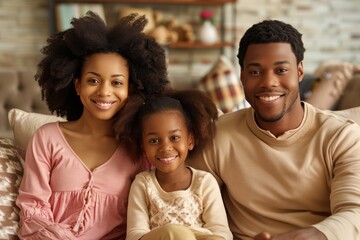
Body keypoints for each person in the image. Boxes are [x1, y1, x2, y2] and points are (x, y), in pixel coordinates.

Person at [190, 19, 360, 240]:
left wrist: (312, 236)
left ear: (299, 72)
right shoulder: (218, 135)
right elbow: (186, 199)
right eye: (254, 72)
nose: (268, 82)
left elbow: (355, 212)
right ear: (241, 76)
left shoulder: (341, 136)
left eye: (281, 70)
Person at [16, 11, 169, 240]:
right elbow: (32, 212)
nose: (104, 92)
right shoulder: (47, 139)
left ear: (131, 89)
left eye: (117, 82)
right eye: (93, 80)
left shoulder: (141, 149)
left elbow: (149, 217)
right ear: (76, 85)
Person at [116, 89, 232, 240]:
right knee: (175, 233)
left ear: (190, 140)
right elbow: (134, 235)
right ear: (143, 147)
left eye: (174, 138)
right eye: (154, 141)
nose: (165, 148)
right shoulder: (144, 184)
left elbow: (222, 232)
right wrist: (171, 234)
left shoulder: (204, 182)